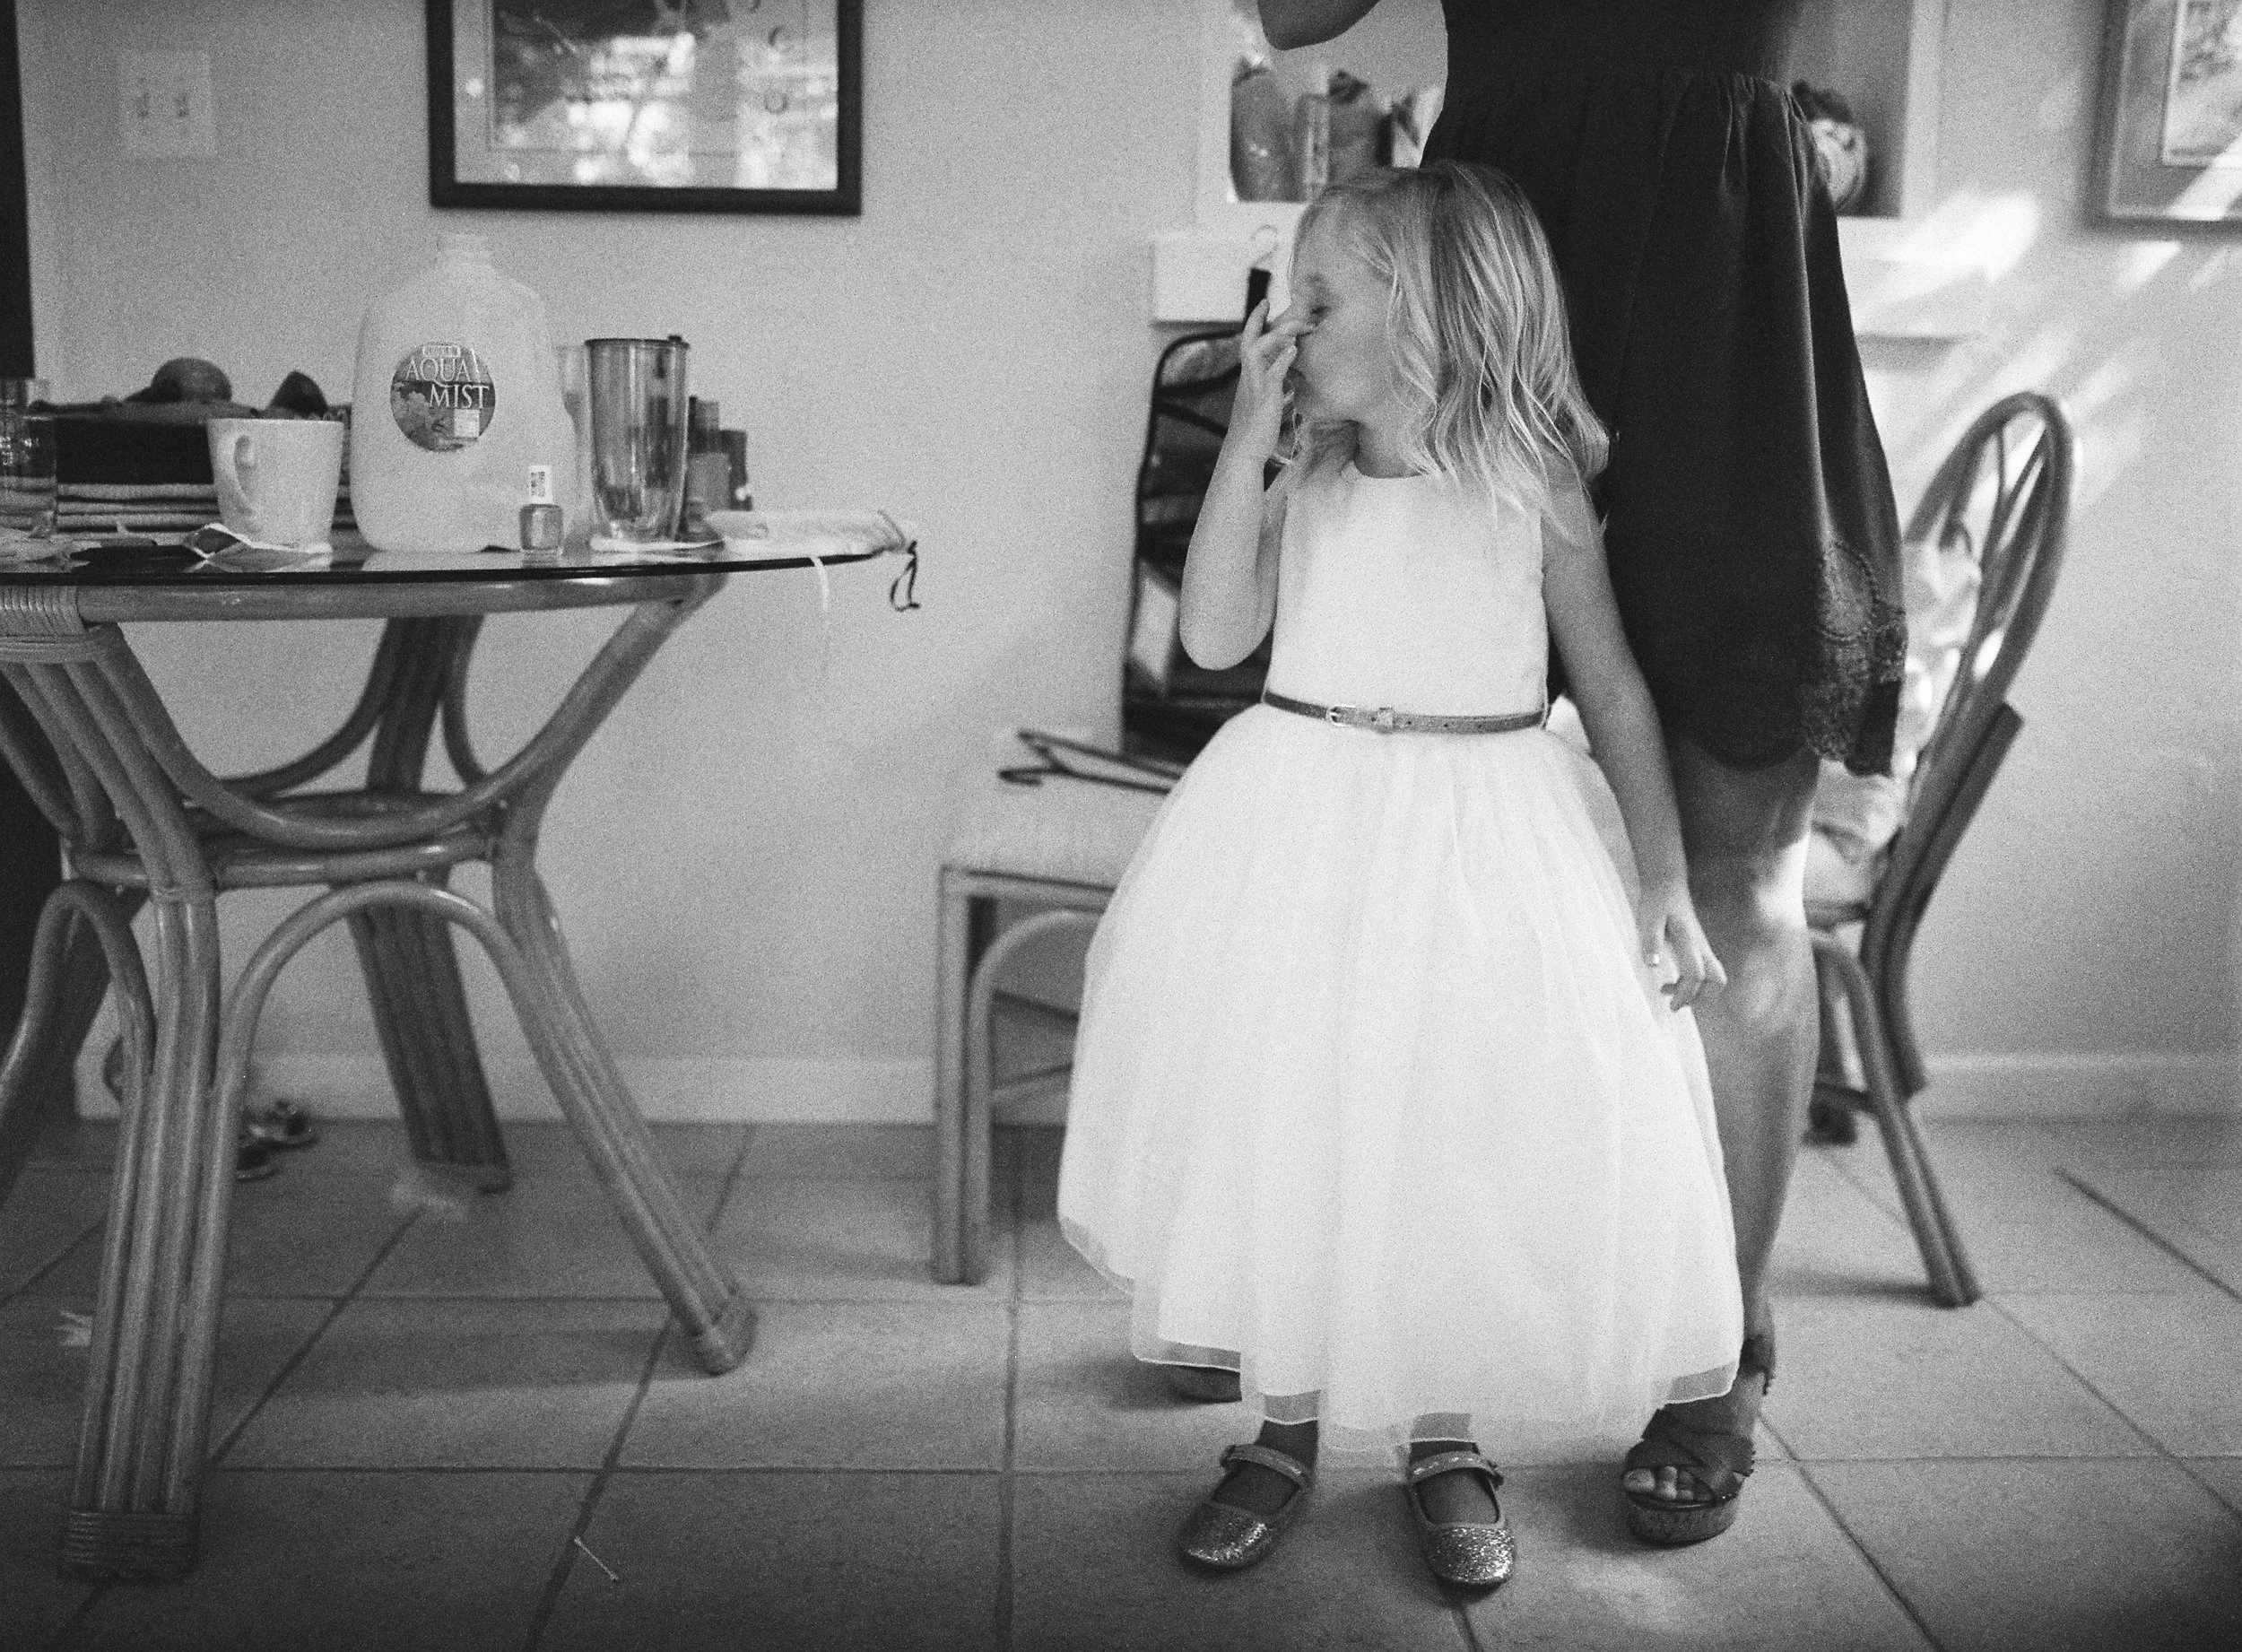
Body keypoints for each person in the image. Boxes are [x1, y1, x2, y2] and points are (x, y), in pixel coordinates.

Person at [1259, 0, 1908, 1544]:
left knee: (1739, 879)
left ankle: (1716, 1352)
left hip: (1726, 303)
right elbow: (1292, 17)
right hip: (1480, 275)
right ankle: (1306, 1303)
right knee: (1385, 842)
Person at [1056, 162, 1744, 1589]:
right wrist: (1249, 430)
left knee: (1451, 1127)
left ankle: (1443, 1438)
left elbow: (1609, 687)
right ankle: (1284, 1427)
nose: (1287, 324)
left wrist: (1663, 878)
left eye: (1318, 299)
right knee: (1299, 1110)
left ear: (1428, 317)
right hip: (1301, 824)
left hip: (1485, 838)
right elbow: (1216, 638)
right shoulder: (1299, 470)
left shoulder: (1530, 480)